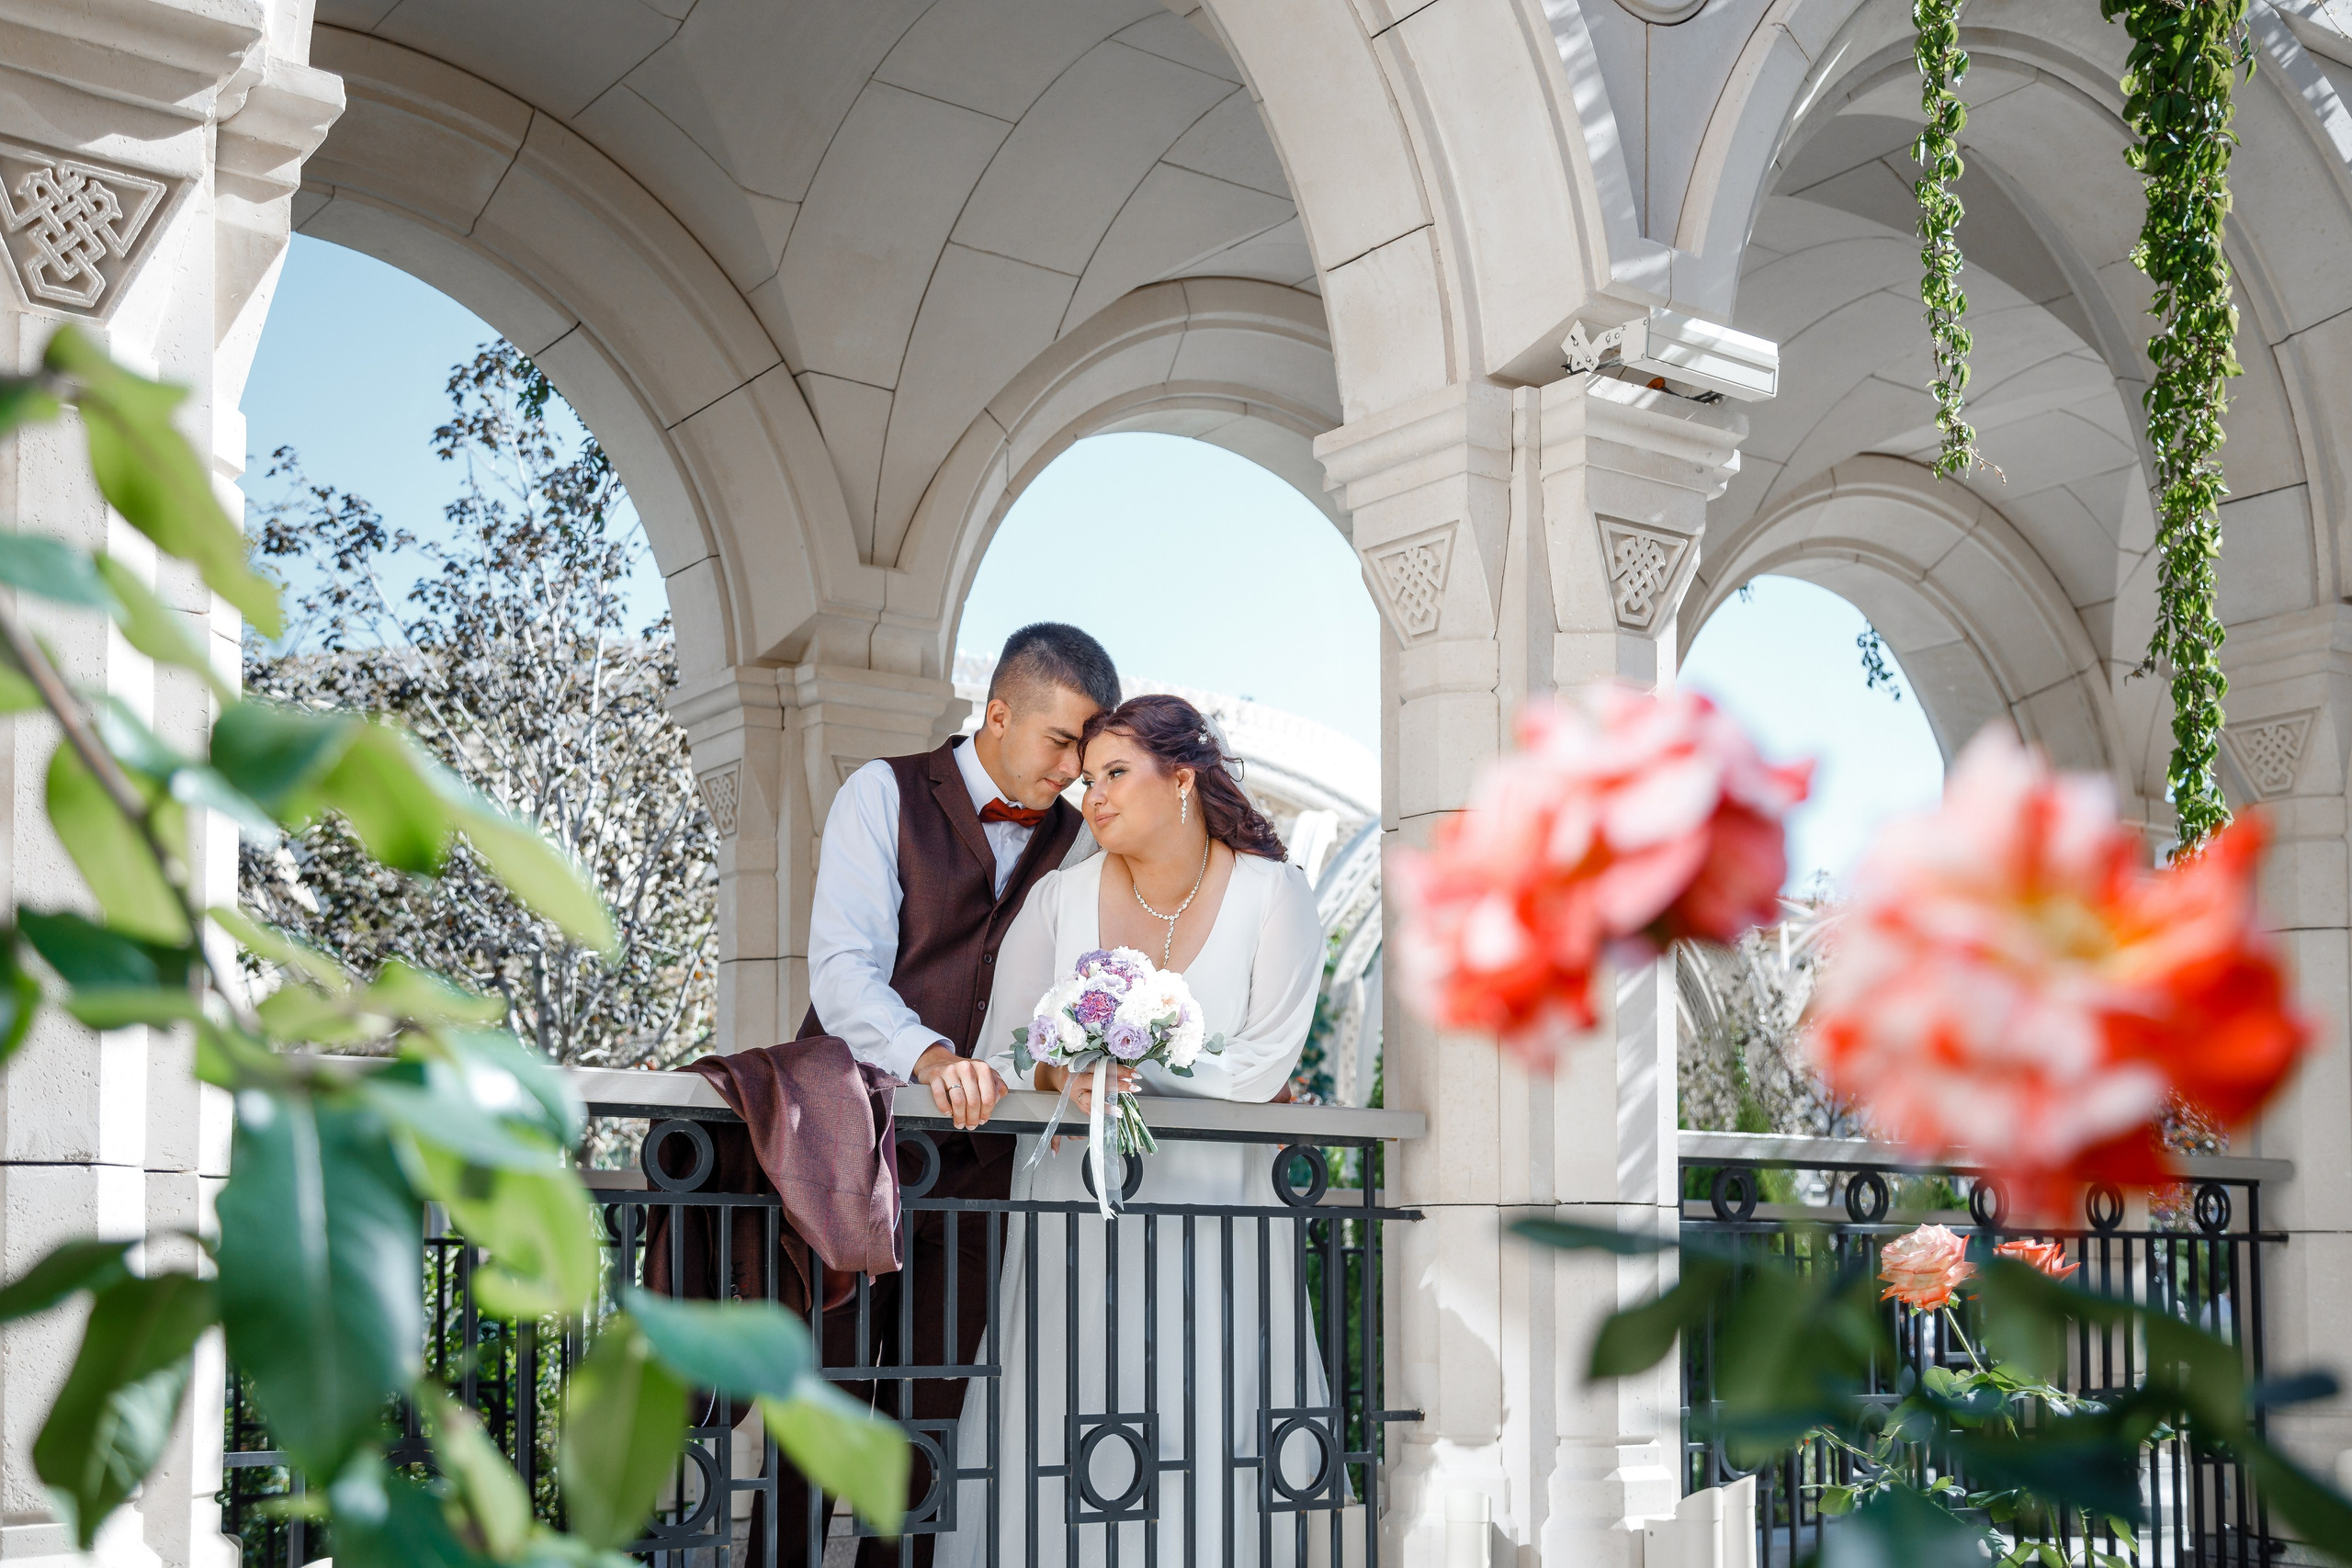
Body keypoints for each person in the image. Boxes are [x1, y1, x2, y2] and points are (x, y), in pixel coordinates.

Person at [937, 694, 1331, 1568]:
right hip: (1076, 1212)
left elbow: (1267, 1064)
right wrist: (1059, 1071)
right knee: (1070, 1406)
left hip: (1215, 1210)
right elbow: (1003, 1050)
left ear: (1181, 777)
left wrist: (1136, 1063)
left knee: (1202, 1406)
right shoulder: (1058, 899)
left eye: (1114, 774)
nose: (1094, 797)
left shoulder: (1275, 894)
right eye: (1085, 780)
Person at [790, 622, 1121, 1567]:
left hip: (980, 1169)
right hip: (852, 1150)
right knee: (822, 1411)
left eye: (1087, 754)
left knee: (926, 1433)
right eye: (1060, 743)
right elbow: (843, 973)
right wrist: (932, 1057)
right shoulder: (880, 794)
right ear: (999, 713)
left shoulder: (1076, 843)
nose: (1070, 773)